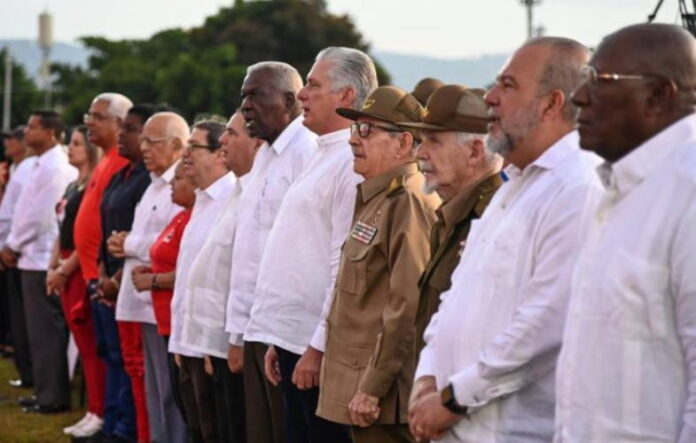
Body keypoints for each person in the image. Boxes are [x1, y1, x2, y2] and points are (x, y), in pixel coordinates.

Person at [408, 37, 602, 443]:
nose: (491, 98)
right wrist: (427, 378)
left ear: (551, 103)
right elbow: (454, 298)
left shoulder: (578, 186)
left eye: (508, 86)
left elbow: (546, 322)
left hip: (509, 430)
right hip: (456, 422)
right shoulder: (514, 184)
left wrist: (454, 398)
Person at [554, 23, 696, 443]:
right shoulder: (615, 190)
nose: (580, 97)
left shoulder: (687, 194)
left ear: (658, 96)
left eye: (598, 81)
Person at [244, 47, 376, 443]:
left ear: (346, 96)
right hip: (294, 339)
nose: (302, 94)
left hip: (317, 347)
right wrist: (278, 337)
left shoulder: (352, 162)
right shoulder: (324, 154)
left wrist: (317, 346)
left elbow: (343, 262)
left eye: (314, 85)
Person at [316, 86, 440, 442]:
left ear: (403, 143)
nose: (355, 139)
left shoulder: (408, 201)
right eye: (355, 129)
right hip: (360, 388)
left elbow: (407, 306)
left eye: (367, 130)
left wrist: (373, 387)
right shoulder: (377, 197)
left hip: (383, 397)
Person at [225, 60, 316, 443]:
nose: (246, 105)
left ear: (290, 100)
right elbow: (248, 247)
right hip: (259, 320)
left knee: (285, 430)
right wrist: (237, 327)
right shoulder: (265, 155)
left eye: (256, 95)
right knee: (261, 430)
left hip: (291, 327)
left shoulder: (306, 150)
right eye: (243, 96)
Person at [398, 84, 503, 354]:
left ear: (475, 151)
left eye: (434, 141)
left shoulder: (496, 219)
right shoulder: (451, 214)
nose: (420, 153)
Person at [177, 110, 263, 443]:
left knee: (228, 426)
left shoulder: (238, 193)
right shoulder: (234, 191)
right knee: (207, 424)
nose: (225, 140)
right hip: (206, 336)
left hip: (228, 339)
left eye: (232, 134)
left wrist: (230, 341)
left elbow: (240, 274)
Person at [109, 111, 189, 443]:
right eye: (142, 139)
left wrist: (127, 243)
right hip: (141, 300)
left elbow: (170, 243)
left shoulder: (181, 186)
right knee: (149, 386)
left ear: (176, 145)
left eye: (151, 140)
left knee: (168, 392)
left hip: (162, 303)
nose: (143, 147)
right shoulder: (154, 185)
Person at [0, 110, 78, 413]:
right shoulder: (35, 165)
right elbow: (18, 210)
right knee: (34, 330)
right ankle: (44, 390)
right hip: (27, 255)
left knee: (46, 330)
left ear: (50, 132)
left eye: (32, 127)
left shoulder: (55, 167)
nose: (26, 133)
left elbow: (40, 216)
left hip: (42, 256)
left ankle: (53, 396)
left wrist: (13, 245)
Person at [165, 120, 236, 442]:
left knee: (217, 429)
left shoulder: (232, 199)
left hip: (214, 344)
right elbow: (190, 277)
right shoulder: (202, 201)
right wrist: (181, 339)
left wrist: (213, 343)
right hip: (190, 339)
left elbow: (229, 275)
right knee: (197, 426)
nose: (186, 155)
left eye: (194, 147)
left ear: (221, 154)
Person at [73, 92, 134, 438]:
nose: (89, 122)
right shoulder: (108, 160)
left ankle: (117, 425)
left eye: (97, 117)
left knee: (120, 358)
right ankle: (106, 418)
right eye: (89, 115)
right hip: (95, 274)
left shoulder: (121, 161)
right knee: (106, 353)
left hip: (111, 278)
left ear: (118, 122)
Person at [97, 104, 156, 443]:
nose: (124, 134)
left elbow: (140, 236)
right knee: (116, 356)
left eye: (131, 129)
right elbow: (106, 226)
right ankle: (114, 420)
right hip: (110, 277)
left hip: (131, 283)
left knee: (134, 364)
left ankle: (127, 430)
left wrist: (116, 277)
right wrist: (102, 269)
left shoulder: (148, 180)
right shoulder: (123, 175)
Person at [43, 126, 105, 437]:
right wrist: (53, 263)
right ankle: (92, 408)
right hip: (64, 262)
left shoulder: (94, 185)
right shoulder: (73, 185)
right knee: (80, 340)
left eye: (78, 143)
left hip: (78, 267)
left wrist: (65, 268)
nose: (71, 148)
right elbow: (62, 227)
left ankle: (99, 410)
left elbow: (89, 236)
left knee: (90, 343)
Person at [0, 125, 36, 388]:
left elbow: (30, 216)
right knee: (20, 318)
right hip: (15, 249)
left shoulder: (33, 167)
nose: (8, 144)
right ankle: (27, 373)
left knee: (30, 322)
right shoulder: (20, 168)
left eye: (13, 139)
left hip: (28, 251)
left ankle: (33, 376)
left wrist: (10, 245)